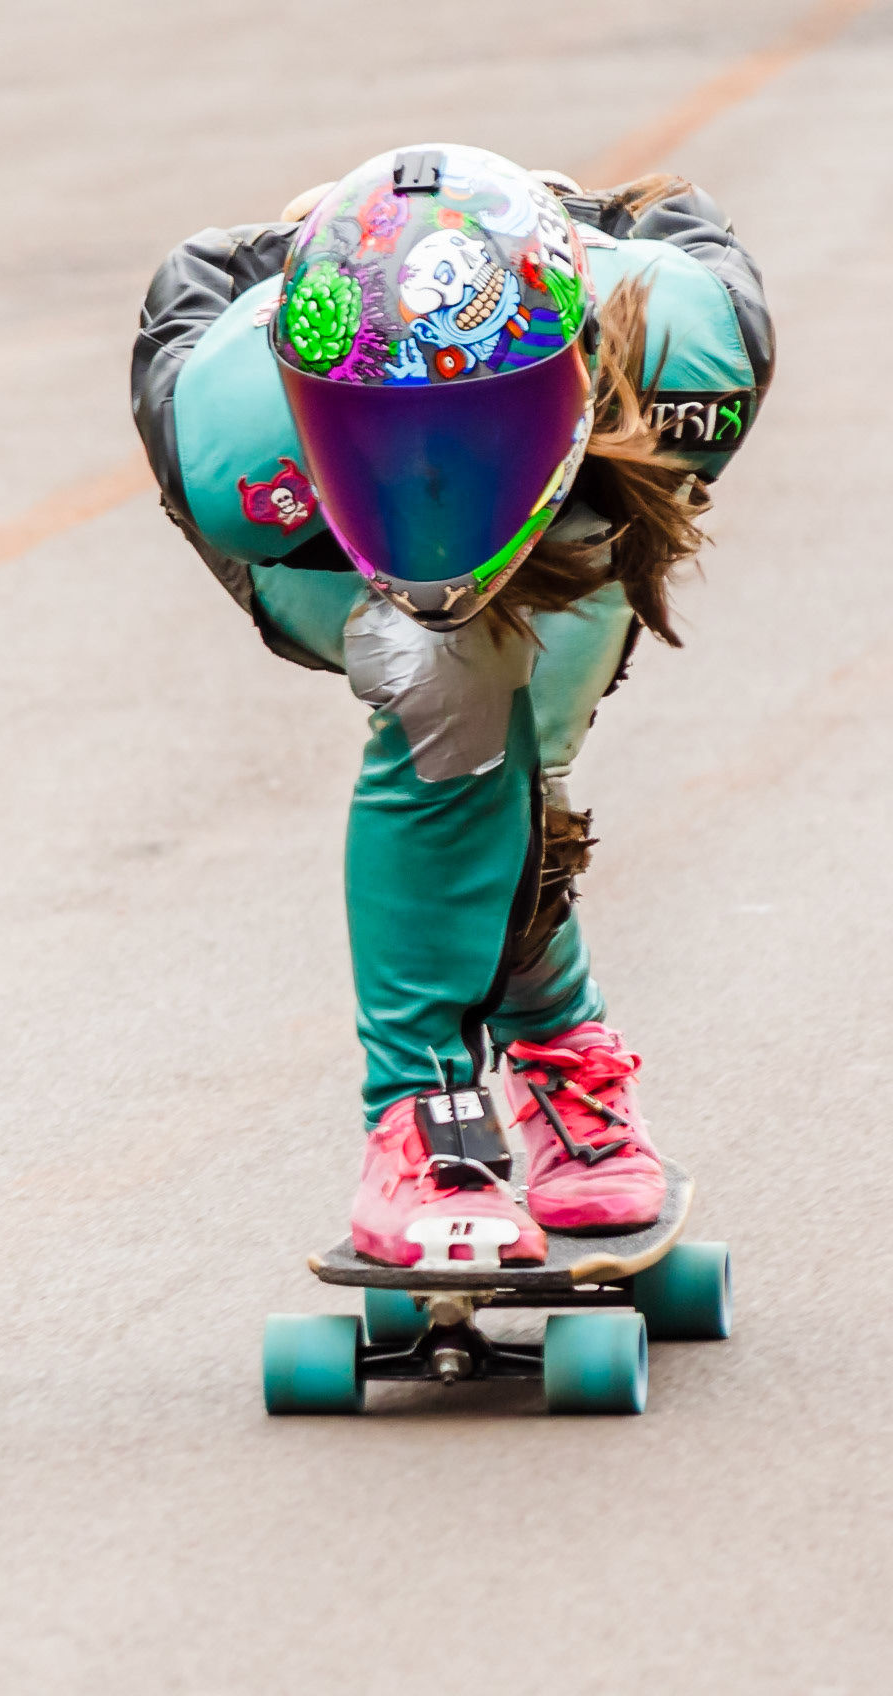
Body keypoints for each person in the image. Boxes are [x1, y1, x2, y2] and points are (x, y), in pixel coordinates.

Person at [131, 144, 772, 1268]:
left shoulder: (684, 348)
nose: (434, 474)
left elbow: (671, 219)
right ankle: (421, 1119)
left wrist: (556, 220)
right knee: (450, 686)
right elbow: (195, 279)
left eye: (476, 424)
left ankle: (557, 1056)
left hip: (577, 486)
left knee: (530, 764)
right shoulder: (226, 437)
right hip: (320, 530)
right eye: (397, 438)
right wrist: (305, 264)